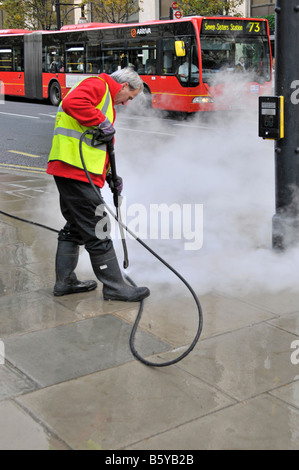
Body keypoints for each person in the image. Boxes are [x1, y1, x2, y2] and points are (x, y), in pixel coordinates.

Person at [47, 68, 150, 302]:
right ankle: (115, 287)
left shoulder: (103, 95)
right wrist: (102, 121)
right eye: (130, 97)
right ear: (124, 86)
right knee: (98, 228)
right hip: (75, 171)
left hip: (73, 170)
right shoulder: (98, 86)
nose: (126, 103)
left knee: (75, 226)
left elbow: (98, 145)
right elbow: (73, 101)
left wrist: (112, 175)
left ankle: (65, 282)